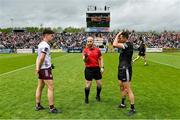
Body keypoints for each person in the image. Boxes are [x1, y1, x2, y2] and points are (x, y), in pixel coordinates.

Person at [35, 29, 60, 113]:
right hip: (45, 69)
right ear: (46, 35)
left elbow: (38, 58)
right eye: (51, 35)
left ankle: (38, 105)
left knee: (40, 87)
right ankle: (52, 108)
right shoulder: (45, 45)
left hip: (42, 68)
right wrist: (39, 67)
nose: (53, 37)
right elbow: (42, 57)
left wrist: (37, 68)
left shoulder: (40, 44)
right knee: (51, 87)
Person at [113, 31, 135, 116]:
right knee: (122, 87)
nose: (119, 38)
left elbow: (114, 44)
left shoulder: (128, 44)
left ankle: (133, 108)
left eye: (121, 37)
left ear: (125, 38)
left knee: (128, 89)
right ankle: (122, 104)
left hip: (125, 69)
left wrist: (117, 34)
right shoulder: (125, 45)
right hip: (121, 69)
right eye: (119, 37)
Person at [82, 36, 104, 104]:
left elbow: (101, 58)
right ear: (87, 42)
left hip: (97, 69)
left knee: (99, 84)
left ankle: (97, 95)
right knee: (88, 85)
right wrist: (86, 57)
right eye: (88, 41)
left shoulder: (97, 50)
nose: (89, 43)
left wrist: (102, 67)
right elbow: (84, 60)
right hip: (88, 69)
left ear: (93, 41)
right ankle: (86, 98)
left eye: (90, 41)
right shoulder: (85, 50)